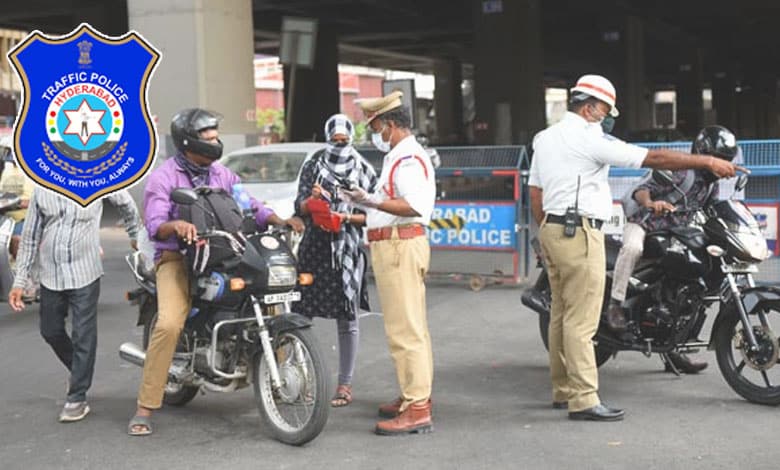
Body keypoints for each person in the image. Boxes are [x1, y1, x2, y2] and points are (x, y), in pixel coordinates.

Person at [528, 74, 743, 422]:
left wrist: (545, 231)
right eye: (605, 110)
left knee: (561, 316)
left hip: (553, 228)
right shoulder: (588, 137)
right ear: (590, 106)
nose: (607, 116)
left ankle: (563, 390)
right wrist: (706, 162)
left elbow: (535, 192)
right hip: (580, 232)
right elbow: (653, 159)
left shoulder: (546, 138)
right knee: (582, 321)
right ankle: (583, 400)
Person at [128, 108, 304, 436]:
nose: (215, 142)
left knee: (270, 300)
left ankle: (276, 378)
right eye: (207, 138)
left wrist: (277, 219)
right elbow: (154, 223)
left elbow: (249, 204)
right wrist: (176, 225)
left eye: (215, 137)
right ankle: (145, 405)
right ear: (187, 142)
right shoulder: (164, 177)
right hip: (177, 260)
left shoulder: (222, 175)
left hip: (223, 255)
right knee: (168, 324)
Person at [606, 125, 740, 374]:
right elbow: (640, 191)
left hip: (675, 233)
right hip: (645, 225)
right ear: (705, 154)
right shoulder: (681, 172)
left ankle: (673, 346)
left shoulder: (711, 184)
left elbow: (714, 211)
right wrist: (651, 203)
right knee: (632, 248)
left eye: (727, 161)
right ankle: (615, 303)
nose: (723, 165)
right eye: (720, 160)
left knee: (687, 282)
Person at [341, 91, 436, 435]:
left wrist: (370, 200)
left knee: (404, 331)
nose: (374, 135)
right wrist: (362, 202)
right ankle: (414, 395)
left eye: (376, 128)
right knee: (413, 328)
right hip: (397, 244)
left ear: (391, 125)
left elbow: (412, 204)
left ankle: (417, 406)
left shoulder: (406, 157)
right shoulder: (400, 155)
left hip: (399, 246)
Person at [8, 186, 140, 422]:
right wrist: (20, 281)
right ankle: (79, 370)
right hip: (50, 272)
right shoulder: (43, 188)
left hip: (85, 271)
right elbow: (29, 237)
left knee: (83, 333)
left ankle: (77, 396)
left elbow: (126, 203)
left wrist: (134, 235)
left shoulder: (97, 180)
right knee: (50, 331)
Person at [293, 113, 377, 408]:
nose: (339, 145)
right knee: (301, 314)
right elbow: (299, 206)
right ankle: (300, 380)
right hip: (315, 248)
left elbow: (373, 215)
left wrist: (345, 217)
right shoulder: (314, 165)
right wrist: (313, 200)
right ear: (327, 138)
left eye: (343, 140)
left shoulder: (363, 169)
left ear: (351, 138)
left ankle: (345, 384)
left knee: (348, 318)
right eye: (334, 140)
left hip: (347, 252)